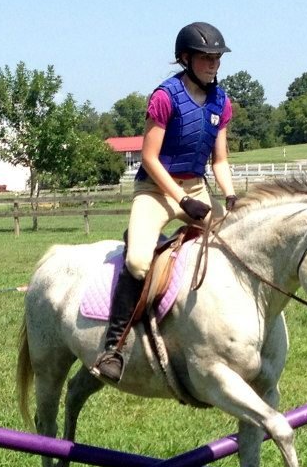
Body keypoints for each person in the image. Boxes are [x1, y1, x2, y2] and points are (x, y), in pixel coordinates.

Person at [91, 21, 238, 383]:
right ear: (185, 58)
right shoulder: (165, 97)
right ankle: (113, 348)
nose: (213, 64)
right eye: (206, 57)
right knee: (138, 261)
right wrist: (182, 200)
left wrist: (231, 196)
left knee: (233, 244)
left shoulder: (221, 101)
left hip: (196, 188)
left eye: (217, 58)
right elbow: (149, 158)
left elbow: (219, 161)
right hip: (156, 190)